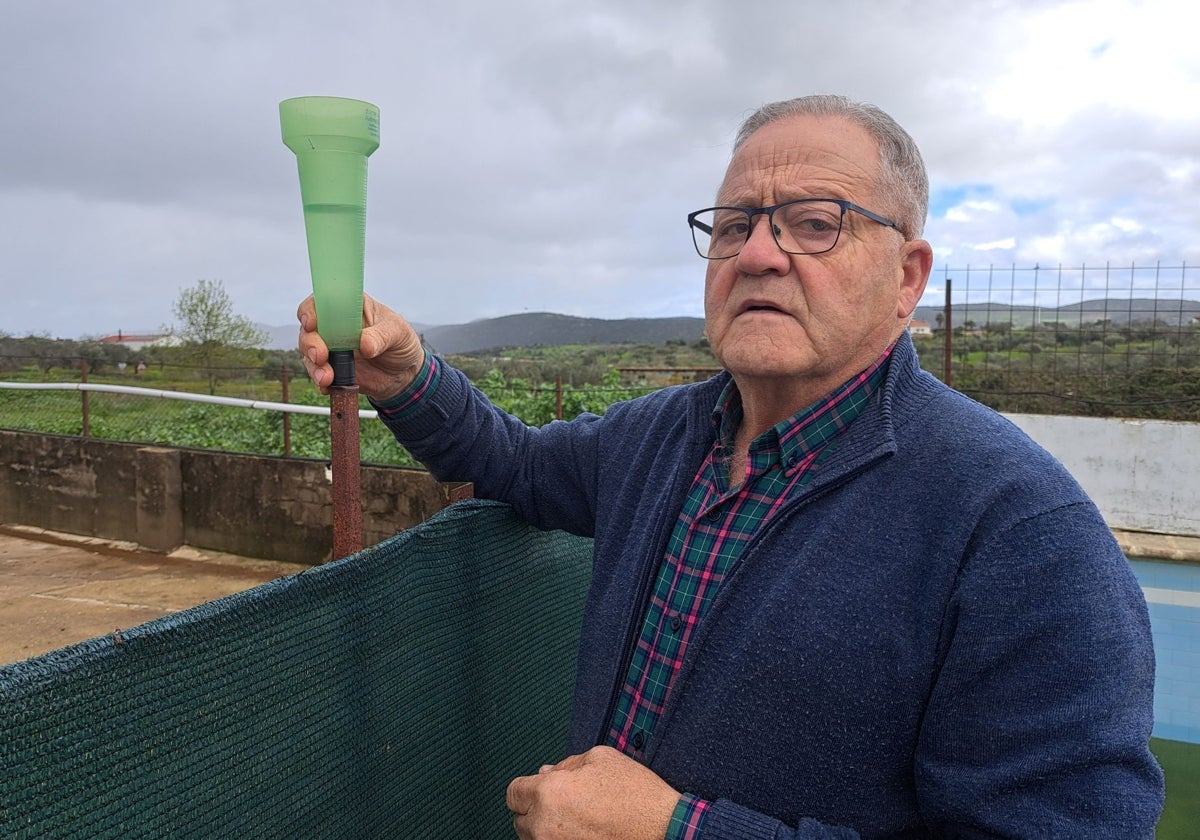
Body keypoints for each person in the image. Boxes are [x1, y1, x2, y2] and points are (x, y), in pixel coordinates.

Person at [298, 95, 1164, 839]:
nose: (756, 253)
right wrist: (408, 376)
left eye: (815, 224)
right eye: (737, 224)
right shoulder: (657, 438)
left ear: (907, 278)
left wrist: (680, 831)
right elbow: (515, 463)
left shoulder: (1022, 535)